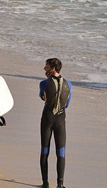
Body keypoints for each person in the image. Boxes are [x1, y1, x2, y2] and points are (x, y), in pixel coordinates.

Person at [39, 58, 72, 188]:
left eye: (46, 66)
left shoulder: (43, 83)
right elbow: (67, 104)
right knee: (61, 152)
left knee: (45, 150)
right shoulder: (69, 84)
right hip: (60, 120)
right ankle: (60, 184)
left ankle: (45, 184)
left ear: (53, 68)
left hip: (47, 119)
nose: (44, 68)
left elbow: (42, 96)